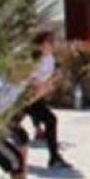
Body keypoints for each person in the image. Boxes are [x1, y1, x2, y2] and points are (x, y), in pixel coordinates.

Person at [23, 30, 68, 169]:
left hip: (36, 97)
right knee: (6, 125)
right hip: (24, 96)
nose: (52, 45)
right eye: (49, 42)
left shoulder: (50, 58)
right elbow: (28, 82)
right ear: (41, 45)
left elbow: (48, 79)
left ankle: (54, 157)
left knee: (50, 120)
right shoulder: (32, 61)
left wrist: (53, 79)